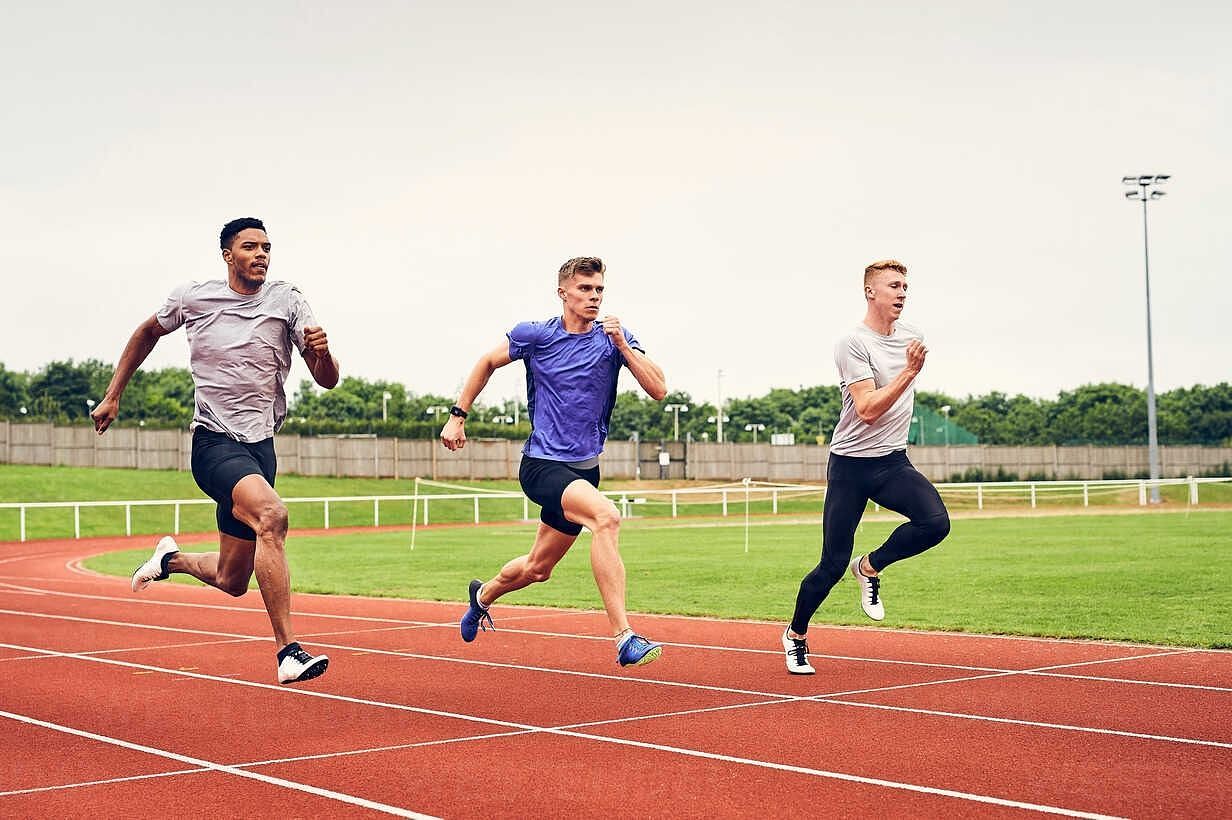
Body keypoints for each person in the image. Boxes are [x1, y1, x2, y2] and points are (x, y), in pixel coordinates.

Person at [91, 217, 340, 685]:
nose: (262, 254)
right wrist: (113, 393)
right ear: (228, 255)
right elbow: (147, 332)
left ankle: (171, 561)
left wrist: (323, 353)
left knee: (232, 580)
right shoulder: (194, 297)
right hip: (214, 444)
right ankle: (288, 651)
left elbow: (326, 378)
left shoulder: (289, 301)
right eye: (251, 247)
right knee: (272, 516)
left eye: (267, 247)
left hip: (261, 447)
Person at [440, 256, 669, 668]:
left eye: (599, 289)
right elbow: (487, 362)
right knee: (607, 517)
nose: (594, 296)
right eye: (585, 289)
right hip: (542, 466)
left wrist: (621, 346)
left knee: (537, 568)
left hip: (585, 469)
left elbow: (658, 389)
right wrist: (458, 416)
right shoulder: (536, 335)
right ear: (563, 292)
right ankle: (624, 637)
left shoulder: (614, 338)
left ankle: (482, 596)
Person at [782, 259, 951, 674]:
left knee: (935, 523)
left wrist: (910, 368)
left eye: (906, 286)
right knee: (831, 564)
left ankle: (870, 566)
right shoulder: (851, 342)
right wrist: (910, 372)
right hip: (851, 467)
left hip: (892, 462)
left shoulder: (913, 336)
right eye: (894, 285)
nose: (902, 292)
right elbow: (867, 409)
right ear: (870, 292)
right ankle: (796, 635)